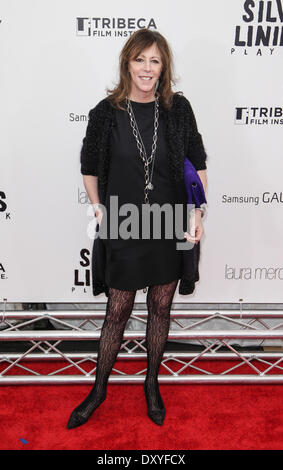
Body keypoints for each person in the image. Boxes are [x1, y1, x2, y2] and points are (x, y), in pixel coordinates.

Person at [67, 28, 208, 429]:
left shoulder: (177, 110)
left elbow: (196, 164)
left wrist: (196, 214)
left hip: (169, 224)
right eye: (140, 59)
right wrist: (99, 212)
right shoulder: (104, 113)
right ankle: (99, 389)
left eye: (155, 60)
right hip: (125, 224)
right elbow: (89, 168)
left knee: (161, 307)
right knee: (118, 311)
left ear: (164, 68)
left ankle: (151, 384)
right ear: (127, 63)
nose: (147, 68)